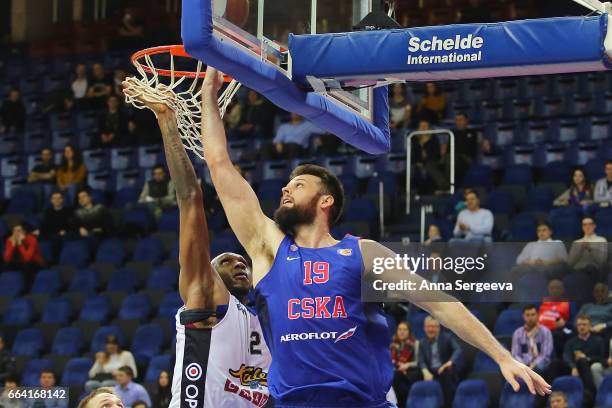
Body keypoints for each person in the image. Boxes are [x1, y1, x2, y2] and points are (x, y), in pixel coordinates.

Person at [147, 66, 551, 407]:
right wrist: (207, 98)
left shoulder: (362, 254)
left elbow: (440, 303)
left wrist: (501, 356)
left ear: (325, 201)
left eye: (298, 184)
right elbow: (219, 166)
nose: (285, 189)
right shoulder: (268, 248)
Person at [122, 78, 272, 407]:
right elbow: (190, 198)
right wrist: (166, 119)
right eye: (227, 261)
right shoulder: (206, 291)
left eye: (242, 261)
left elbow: (255, 378)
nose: (240, 263)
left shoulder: (261, 322)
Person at [419, 316, 463, 407]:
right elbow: (421, 359)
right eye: (428, 326)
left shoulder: (447, 337)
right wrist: (425, 370)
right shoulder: (422, 342)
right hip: (431, 370)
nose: (430, 329)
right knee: (414, 374)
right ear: (424, 328)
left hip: (444, 369)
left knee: (446, 373)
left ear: (439, 328)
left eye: (433, 326)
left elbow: (458, 350)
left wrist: (449, 362)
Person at [563, 314, 605, 405]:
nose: (582, 327)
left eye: (584, 324)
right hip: (575, 369)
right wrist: (573, 367)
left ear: (590, 326)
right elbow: (566, 356)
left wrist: (587, 358)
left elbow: (602, 358)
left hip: (591, 367)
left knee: (582, 361)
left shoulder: (598, 340)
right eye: (579, 325)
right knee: (556, 363)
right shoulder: (571, 341)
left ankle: (589, 395)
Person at [511, 305, 554, 377]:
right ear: (523, 316)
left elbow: (545, 355)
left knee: (540, 367)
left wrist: (533, 366)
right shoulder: (517, 333)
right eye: (527, 315)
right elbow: (515, 355)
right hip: (523, 364)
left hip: (540, 364)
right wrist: (524, 366)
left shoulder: (545, 332)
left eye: (533, 315)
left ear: (538, 315)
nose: (530, 318)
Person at [390, 322, 421, 408]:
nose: (402, 332)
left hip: (410, 373)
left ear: (409, 332)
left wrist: (407, 365)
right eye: (399, 329)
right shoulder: (393, 345)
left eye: (405, 330)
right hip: (397, 374)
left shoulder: (415, 343)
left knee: (395, 376)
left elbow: (418, 361)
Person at [567, 217, 608, 281]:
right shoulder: (576, 242)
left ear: (594, 226)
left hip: (594, 271)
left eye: (590, 224)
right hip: (578, 271)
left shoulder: (601, 240)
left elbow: (602, 262)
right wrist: (581, 250)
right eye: (585, 225)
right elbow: (570, 263)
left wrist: (590, 249)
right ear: (582, 227)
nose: (587, 226)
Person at [539, 280, 572, 358]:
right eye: (552, 288)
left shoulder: (569, 304)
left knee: (557, 335)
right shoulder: (542, 303)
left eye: (557, 288)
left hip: (560, 330)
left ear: (562, 290)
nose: (555, 290)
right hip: (540, 330)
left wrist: (565, 324)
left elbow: (573, 323)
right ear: (548, 290)